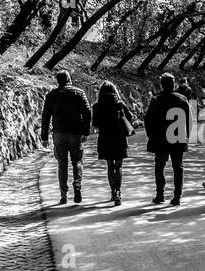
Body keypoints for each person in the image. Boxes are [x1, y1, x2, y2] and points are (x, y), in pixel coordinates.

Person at [40, 68, 91, 205]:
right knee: (77, 162)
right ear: (69, 79)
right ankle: (77, 188)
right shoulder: (79, 93)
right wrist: (86, 132)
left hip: (59, 134)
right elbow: (87, 112)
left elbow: (45, 116)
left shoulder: (51, 95)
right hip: (76, 133)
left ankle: (64, 194)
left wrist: (44, 137)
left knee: (62, 164)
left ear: (57, 81)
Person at [144, 72, 190, 206]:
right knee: (178, 167)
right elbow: (188, 120)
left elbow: (148, 120)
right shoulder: (182, 99)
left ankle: (160, 195)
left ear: (161, 85)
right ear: (174, 84)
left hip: (160, 139)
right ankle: (177, 197)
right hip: (178, 138)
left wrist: (151, 136)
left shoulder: (156, 99)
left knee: (159, 166)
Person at [91, 81, 134, 205]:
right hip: (119, 137)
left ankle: (113, 191)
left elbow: (95, 123)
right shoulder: (119, 103)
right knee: (118, 166)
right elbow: (130, 117)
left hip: (105, 138)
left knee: (110, 166)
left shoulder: (97, 106)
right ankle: (118, 192)